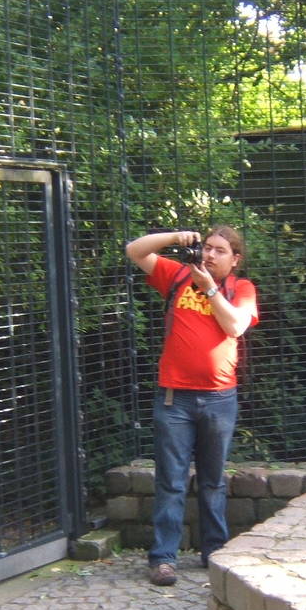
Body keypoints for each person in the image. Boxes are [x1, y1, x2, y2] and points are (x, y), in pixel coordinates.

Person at [125, 225, 258, 586]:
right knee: (171, 480)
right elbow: (135, 251)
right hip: (175, 397)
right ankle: (164, 558)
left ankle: (214, 552)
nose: (210, 255)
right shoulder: (178, 274)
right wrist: (174, 238)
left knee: (213, 481)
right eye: (208, 248)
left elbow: (235, 326)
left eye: (219, 251)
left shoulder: (241, 289)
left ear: (235, 259)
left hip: (219, 399)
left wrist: (209, 289)